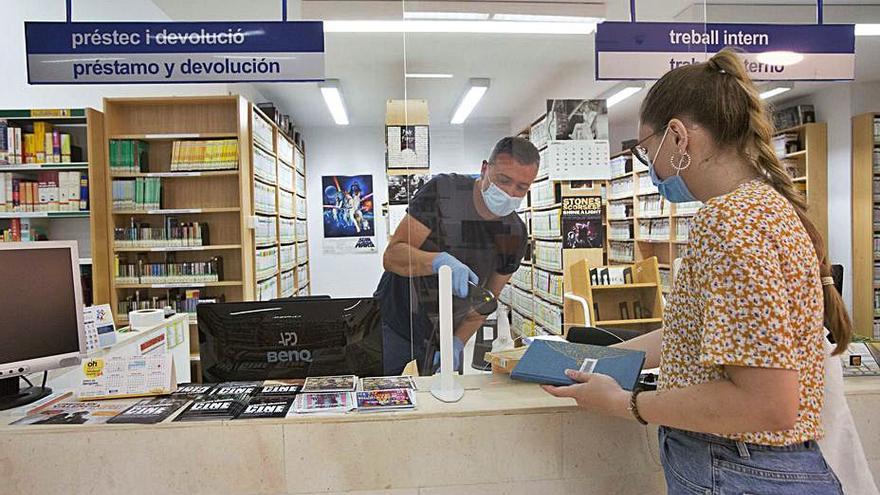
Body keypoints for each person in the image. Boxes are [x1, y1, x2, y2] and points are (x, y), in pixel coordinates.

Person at [543, 48, 851, 495]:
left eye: (647, 151)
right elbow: (691, 332)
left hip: (738, 469)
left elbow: (766, 403)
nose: (651, 168)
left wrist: (626, 403)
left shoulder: (729, 221)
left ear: (678, 137)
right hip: (758, 468)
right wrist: (606, 360)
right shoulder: (763, 208)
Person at [375, 137, 539, 375]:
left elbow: (486, 301)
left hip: (446, 333)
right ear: (485, 169)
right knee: (382, 400)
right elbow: (392, 256)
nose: (510, 193)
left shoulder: (514, 233)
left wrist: (457, 342)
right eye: (504, 180)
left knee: (445, 404)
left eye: (521, 187)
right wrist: (438, 262)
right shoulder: (443, 192)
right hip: (396, 321)